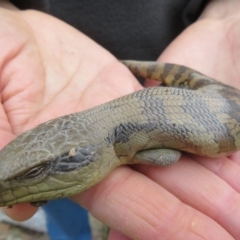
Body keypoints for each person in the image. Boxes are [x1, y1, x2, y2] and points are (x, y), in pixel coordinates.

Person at [1, 0, 240, 239]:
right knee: (64, 213)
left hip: (222, 108)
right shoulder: (114, 132)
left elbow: (170, 156)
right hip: (207, 97)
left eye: (33, 173)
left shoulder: (121, 144)